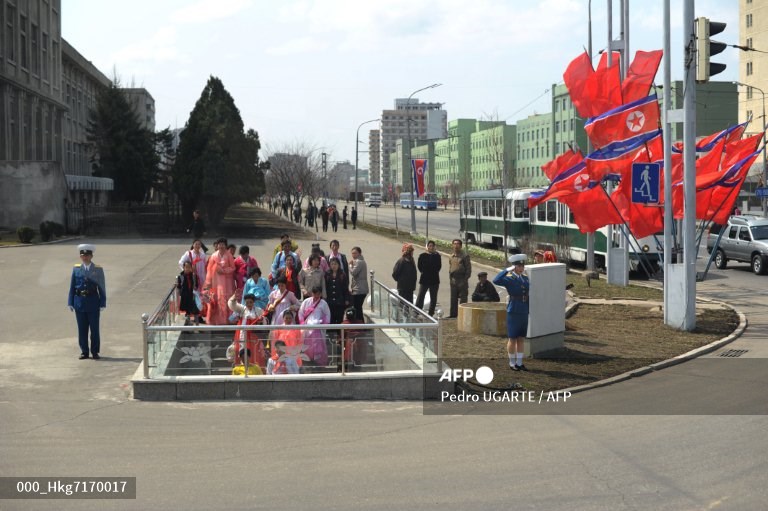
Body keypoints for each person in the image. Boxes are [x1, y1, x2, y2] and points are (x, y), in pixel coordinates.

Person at [68, 244, 107, 359]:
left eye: (87, 255)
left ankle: (95, 351)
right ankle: (84, 351)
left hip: (93, 302)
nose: (85, 257)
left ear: (91, 256)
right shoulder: (76, 269)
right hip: (79, 303)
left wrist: (102, 303)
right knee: (82, 329)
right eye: (82, 255)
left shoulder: (98, 269)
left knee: (94, 329)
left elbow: (102, 287)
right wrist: (70, 302)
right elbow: (72, 287)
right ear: (80, 257)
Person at [493, 254, 530, 371]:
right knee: (512, 338)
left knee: (521, 337)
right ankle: (512, 362)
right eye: (519, 266)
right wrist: (506, 270)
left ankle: (519, 362)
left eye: (522, 266)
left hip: (524, 309)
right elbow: (496, 280)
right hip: (513, 309)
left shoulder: (525, 278)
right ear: (514, 267)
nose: (521, 268)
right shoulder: (509, 278)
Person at [228, 292, 268, 372]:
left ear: (254, 302)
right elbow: (232, 305)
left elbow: (265, 321)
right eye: (247, 302)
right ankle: (241, 371)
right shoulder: (242, 309)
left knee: (255, 353)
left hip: (254, 336)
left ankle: (255, 371)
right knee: (242, 351)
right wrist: (234, 297)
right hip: (242, 334)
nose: (249, 304)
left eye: (251, 302)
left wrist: (261, 320)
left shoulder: (258, 310)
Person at [203, 238, 236, 325]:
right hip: (216, 281)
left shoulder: (229, 255)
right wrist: (208, 282)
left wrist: (224, 270)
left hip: (227, 281)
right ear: (217, 246)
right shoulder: (213, 256)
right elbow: (209, 270)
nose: (221, 246)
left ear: (226, 245)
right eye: (219, 244)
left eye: (223, 244)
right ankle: (216, 320)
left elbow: (233, 267)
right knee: (216, 298)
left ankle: (228, 319)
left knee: (227, 298)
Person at [299, 285, 331, 366]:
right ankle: (308, 361)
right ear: (312, 293)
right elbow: (301, 313)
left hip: (318, 328)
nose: (316, 296)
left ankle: (319, 363)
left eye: (318, 294)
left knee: (318, 348)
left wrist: (324, 325)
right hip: (307, 328)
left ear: (320, 294)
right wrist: (302, 324)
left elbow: (327, 315)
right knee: (307, 346)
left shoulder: (323, 303)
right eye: (315, 294)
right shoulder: (306, 302)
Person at [266, 310, 304, 374]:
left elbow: (299, 342)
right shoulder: (278, 328)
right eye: (286, 318)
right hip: (280, 353)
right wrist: (274, 353)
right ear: (283, 318)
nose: (288, 320)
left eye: (290, 318)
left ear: (292, 319)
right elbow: (274, 343)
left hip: (292, 354)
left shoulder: (296, 329)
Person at [416, 240, 441, 316]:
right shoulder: (422, 256)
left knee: (433, 298)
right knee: (421, 296)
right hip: (424, 279)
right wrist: (424, 272)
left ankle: (431, 313)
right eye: (429, 246)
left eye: (432, 246)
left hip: (434, 280)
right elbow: (419, 266)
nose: (431, 247)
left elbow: (439, 267)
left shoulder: (437, 256)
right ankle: (417, 311)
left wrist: (433, 271)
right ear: (427, 247)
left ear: (434, 247)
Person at [448, 239, 472, 318]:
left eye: (458, 244)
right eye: (454, 244)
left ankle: (462, 316)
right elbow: (450, 268)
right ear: (452, 245)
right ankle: (453, 315)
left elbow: (468, 270)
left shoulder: (465, 256)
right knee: (453, 299)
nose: (456, 245)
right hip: (453, 281)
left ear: (461, 246)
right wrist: (451, 280)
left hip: (462, 280)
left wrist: (464, 280)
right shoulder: (451, 256)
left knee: (463, 300)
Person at [325, 257, 351, 326]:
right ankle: (331, 335)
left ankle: (339, 335)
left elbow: (345, 288)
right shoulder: (327, 274)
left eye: (335, 264)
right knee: (331, 318)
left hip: (340, 300)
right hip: (330, 300)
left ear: (338, 265)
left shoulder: (342, 274)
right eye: (332, 264)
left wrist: (346, 299)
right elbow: (325, 287)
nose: (334, 266)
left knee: (339, 318)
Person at [177, 261, 201, 325]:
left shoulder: (193, 275)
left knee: (195, 311)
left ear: (191, 268)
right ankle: (188, 326)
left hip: (192, 296)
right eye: (186, 267)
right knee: (187, 312)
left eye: (189, 267)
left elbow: (196, 285)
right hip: (185, 296)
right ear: (183, 267)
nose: (187, 269)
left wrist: (195, 287)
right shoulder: (181, 276)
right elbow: (179, 286)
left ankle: (197, 326)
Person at [349, 246, 368, 321]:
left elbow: (353, 272)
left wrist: (350, 265)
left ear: (359, 253)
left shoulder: (359, 262)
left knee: (357, 307)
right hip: (359, 288)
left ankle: (360, 324)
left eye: (355, 253)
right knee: (357, 307)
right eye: (352, 253)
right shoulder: (359, 261)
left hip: (359, 289)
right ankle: (360, 324)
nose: (353, 255)